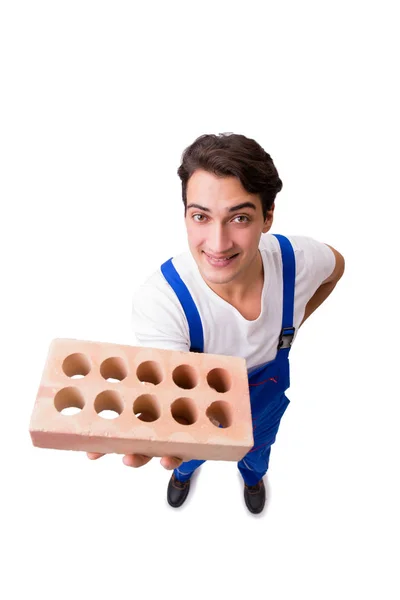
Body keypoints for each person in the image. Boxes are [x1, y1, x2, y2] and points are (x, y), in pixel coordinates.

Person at [87, 133, 345, 514]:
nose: (218, 243)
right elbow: (171, 398)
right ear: (186, 215)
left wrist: (294, 321)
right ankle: (184, 474)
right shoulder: (163, 299)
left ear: (268, 216)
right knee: (188, 452)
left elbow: (336, 267)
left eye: (239, 218)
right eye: (201, 216)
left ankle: (254, 477)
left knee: (258, 448)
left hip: (264, 398)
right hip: (197, 406)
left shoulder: (298, 260)